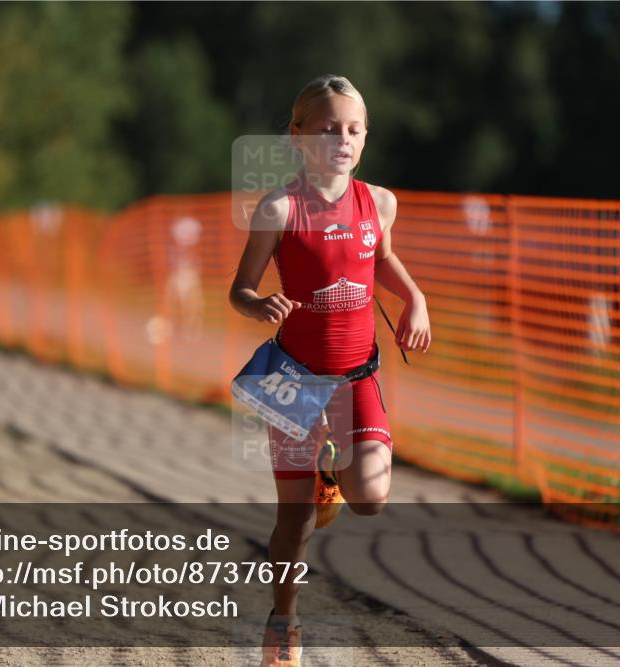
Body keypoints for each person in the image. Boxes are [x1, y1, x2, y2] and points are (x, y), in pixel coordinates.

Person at [228, 74, 431, 667]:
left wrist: (414, 299)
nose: (342, 139)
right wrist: (257, 303)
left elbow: (382, 257)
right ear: (297, 137)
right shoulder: (278, 207)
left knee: (370, 497)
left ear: (365, 138)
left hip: (357, 377)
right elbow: (241, 288)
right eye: (328, 128)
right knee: (293, 525)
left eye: (353, 129)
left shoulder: (380, 203)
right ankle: (283, 623)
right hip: (295, 381)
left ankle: (332, 478)